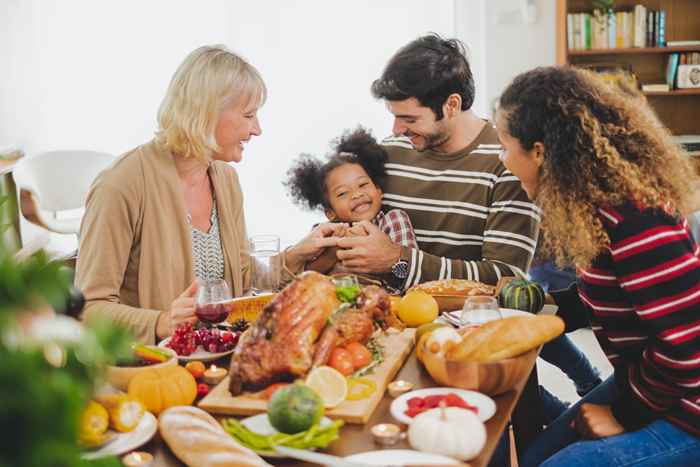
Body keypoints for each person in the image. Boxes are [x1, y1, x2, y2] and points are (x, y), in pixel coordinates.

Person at [495, 66, 700, 466]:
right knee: (534, 455)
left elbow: (688, 351)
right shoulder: (601, 208)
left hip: (689, 407)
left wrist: (623, 416)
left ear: (539, 152)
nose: (504, 161)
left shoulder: (638, 222)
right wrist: (540, 312)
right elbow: (619, 296)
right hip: (652, 382)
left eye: (505, 146)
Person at [75, 45, 338, 344]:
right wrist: (162, 322)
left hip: (217, 354)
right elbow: (89, 308)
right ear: (207, 113)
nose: (257, 130)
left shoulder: (225, 179)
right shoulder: (120, 185)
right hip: (153, 368)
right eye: (249, 115)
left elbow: (241, 277)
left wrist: (298, 255)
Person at [335, 34, 540, 288]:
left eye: (410, 119)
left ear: (451, 105)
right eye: (395, 116)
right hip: (392, 320)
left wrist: (397, 260)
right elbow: (384, 264)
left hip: (471, 324)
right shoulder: (389, 153)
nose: (397, 129)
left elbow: (506, 278)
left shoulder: (509, 163)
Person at [284, 126, 417, 277]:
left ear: (379, 191)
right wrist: (334, 251)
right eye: (342, 193)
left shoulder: (393, 220)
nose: (356, 194)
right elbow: (304, 276)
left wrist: (385, 259)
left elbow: (406, 272)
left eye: (363, 184)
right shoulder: (324, 233)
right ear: (330, 212)